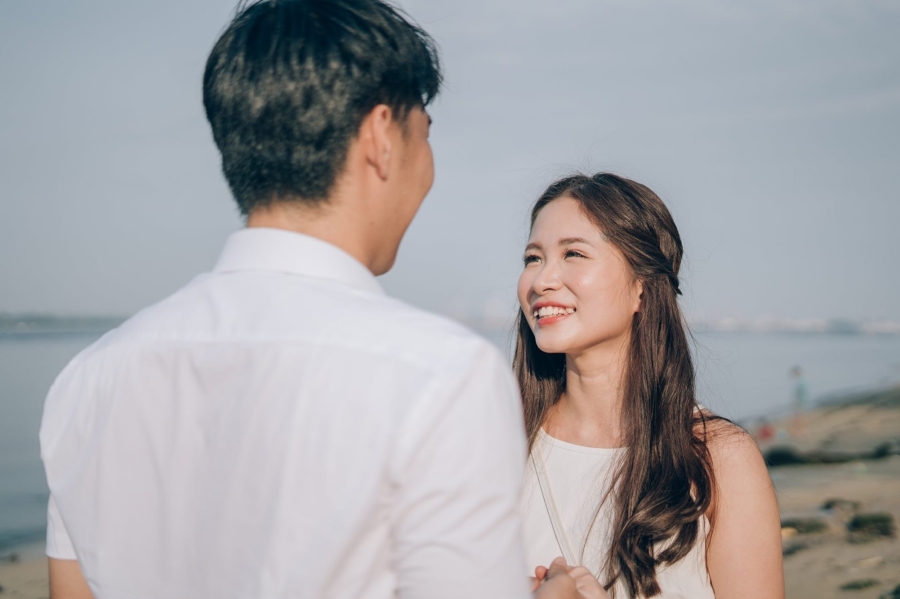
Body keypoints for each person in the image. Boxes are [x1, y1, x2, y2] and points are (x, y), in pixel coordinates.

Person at [40, 2, 592, 597]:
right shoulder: (439, 376)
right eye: (424, 134)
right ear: (382, 135)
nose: (428, 167)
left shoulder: (87, 381)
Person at [515, 174, 784, 598]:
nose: (542, 280)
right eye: (533, 258)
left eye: (573, 254)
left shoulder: (717, 458)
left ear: (641, 285)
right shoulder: (498, 445)